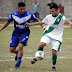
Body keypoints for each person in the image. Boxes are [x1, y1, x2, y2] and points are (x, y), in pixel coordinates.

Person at [26, 3, 72, 71]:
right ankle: (37, 56)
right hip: (48, 34)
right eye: (50, 11)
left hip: (57, 37)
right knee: (42, 44)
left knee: (54, 52)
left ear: (57, 10)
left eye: (52, 11)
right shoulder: (48, 17)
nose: (51, 13)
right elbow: (41, 22)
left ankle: (53, 66)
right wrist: (31, 24)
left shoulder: (61, 17)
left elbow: (66, 20)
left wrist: (70, 22)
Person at [0, 2, 45, 68]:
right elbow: (7, 22)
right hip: (15, 33)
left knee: (21, 46)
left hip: (25, 33)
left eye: (24, 9)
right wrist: (1, 29)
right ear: (18, 8)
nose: (23, 10)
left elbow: (37, 20)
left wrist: (43, 27)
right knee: (12, 50)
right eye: (21, 9)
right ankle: (17, 53)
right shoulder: (13, 15)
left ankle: (18, 63)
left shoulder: (29, 15)